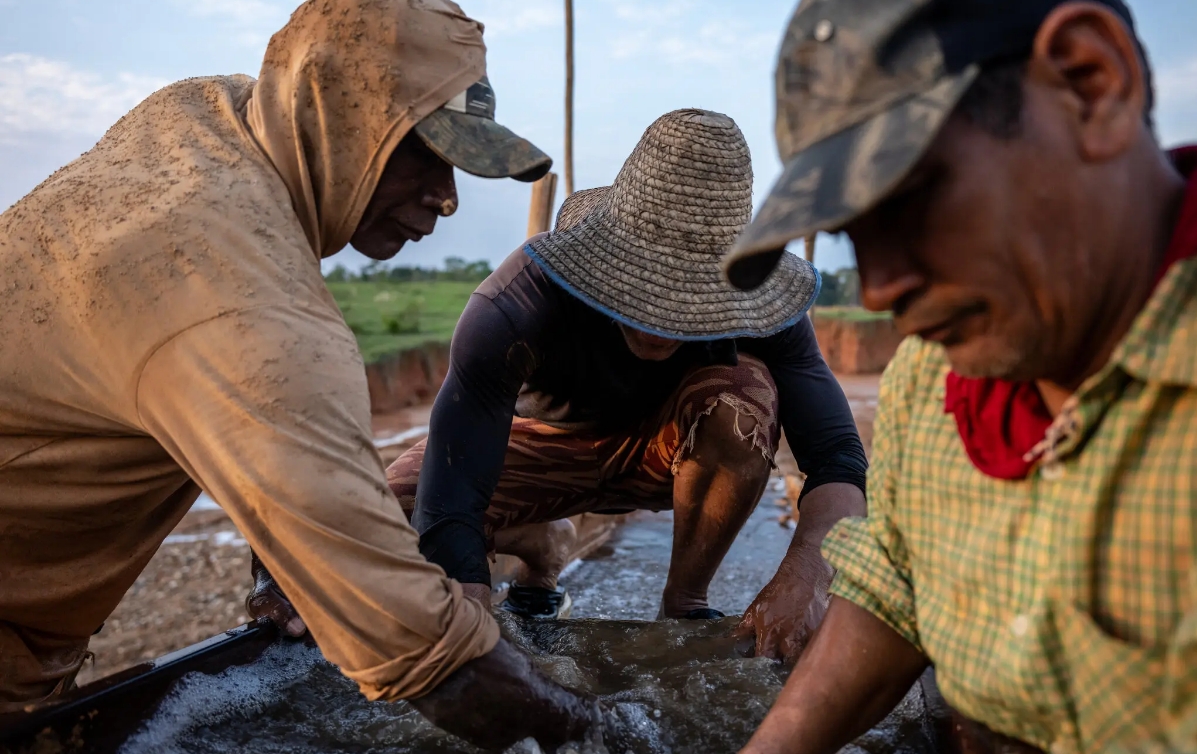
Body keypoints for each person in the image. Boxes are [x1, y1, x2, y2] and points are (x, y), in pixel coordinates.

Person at [0, 0, 640, 749]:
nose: (448, 196)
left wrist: (288, 563)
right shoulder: (242, 303)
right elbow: (422, 652)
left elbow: (259, 432)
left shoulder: (203, 122)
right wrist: (622, 732)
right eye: (422, 152)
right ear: (336, 118)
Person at [723, 0, 1196, 752]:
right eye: (853, 235)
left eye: (913, 200)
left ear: (1090, 84)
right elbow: (896, 583)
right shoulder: (932, 375)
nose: (880, 290)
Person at [384, 108, 868, 660]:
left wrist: (807, 573)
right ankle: (543, 540)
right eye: (640, 290)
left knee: (742, 396)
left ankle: (685, 601)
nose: (658, 322)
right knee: (392, 512)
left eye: (688, 299)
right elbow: (451, 491)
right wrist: (468, 607)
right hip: (544, 447)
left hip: (674, 451)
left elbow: (839, 459)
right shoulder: (517, 303)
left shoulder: (764, 310)